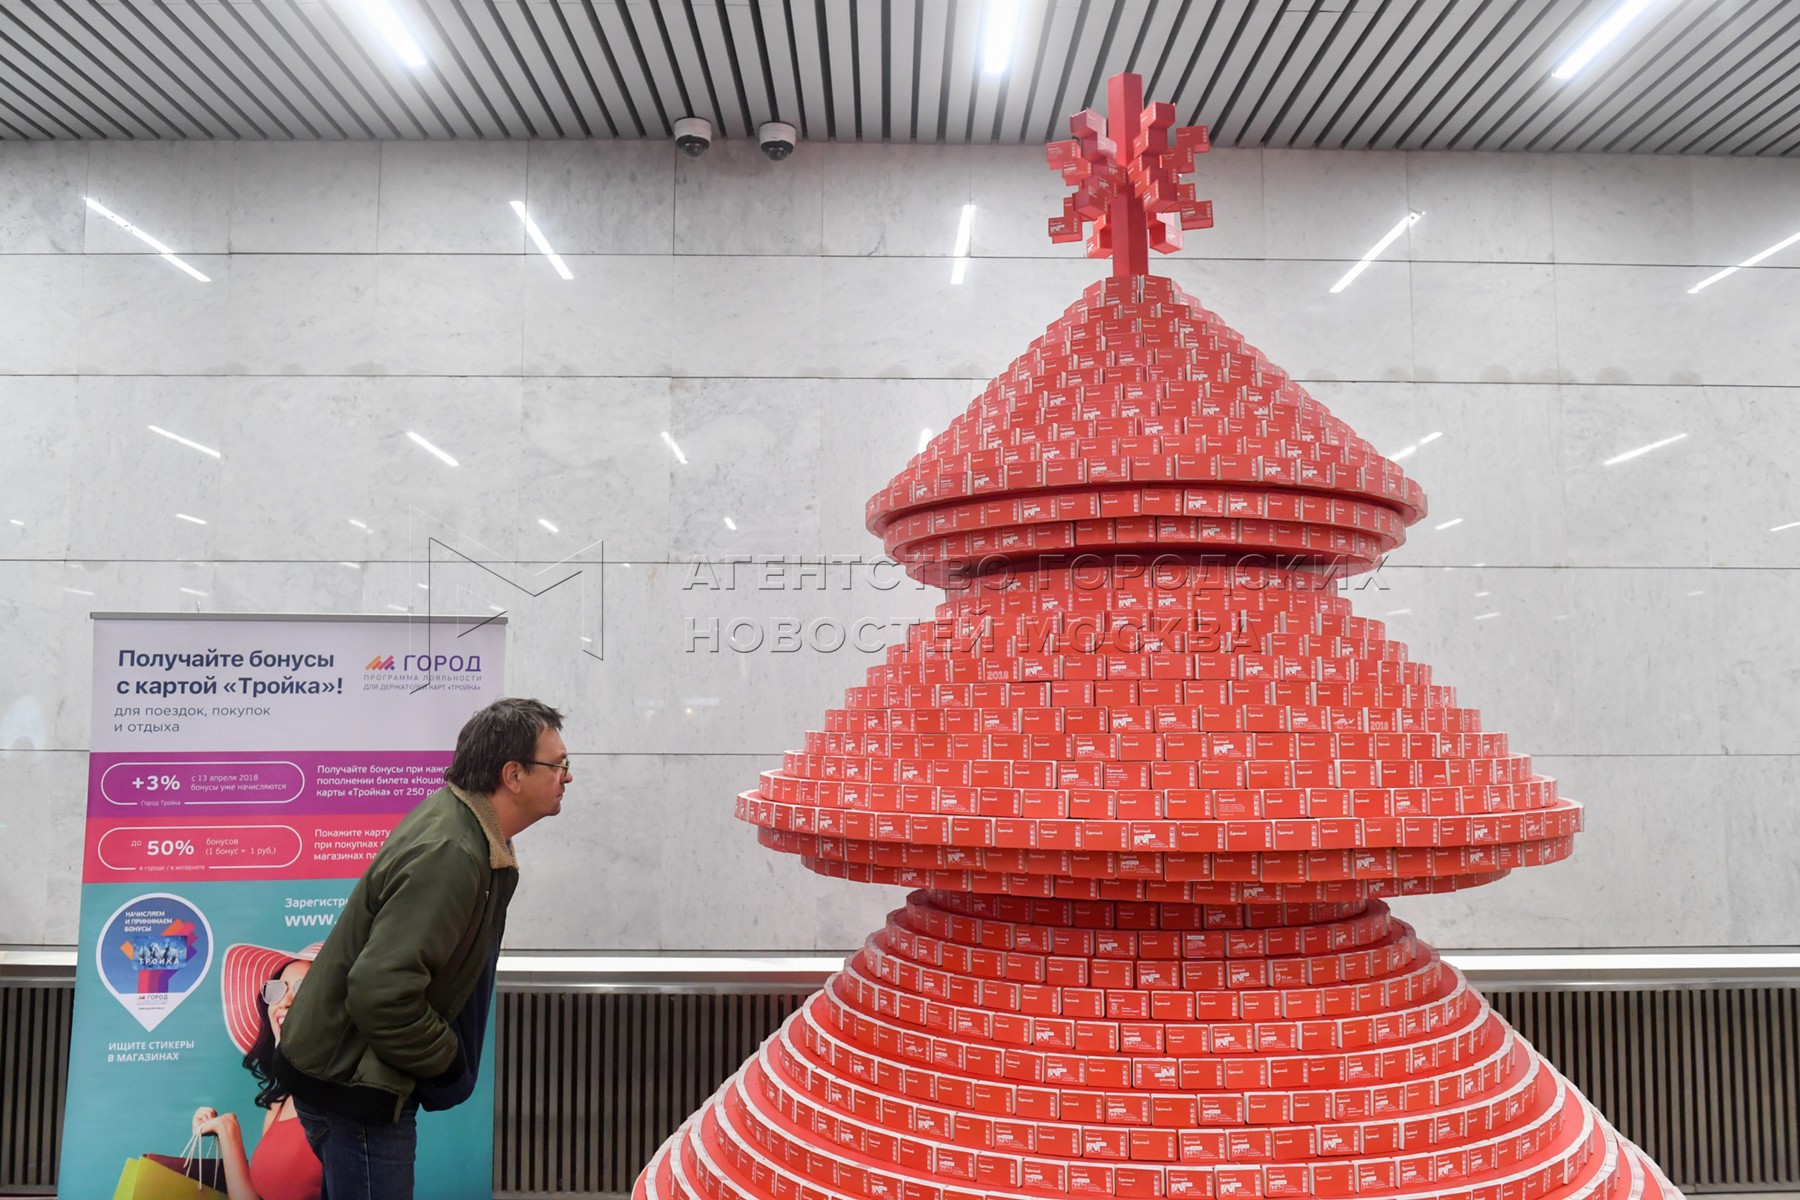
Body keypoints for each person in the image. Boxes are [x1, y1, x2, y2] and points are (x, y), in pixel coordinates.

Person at [273, 697, 570, 1200]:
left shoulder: (467, 830)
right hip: (355, 1087)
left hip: (352, 1075)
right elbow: (381, 992)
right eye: (558, 764)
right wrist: (446, 1060)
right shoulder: (452, 850)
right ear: (513, 774)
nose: (567, 776)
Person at [190, 942, 326, 1200]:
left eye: (303, 989)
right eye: (278, 989)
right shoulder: (279, 1103)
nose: (284, 1001)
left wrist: (228, 1131)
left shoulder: (347, 1102)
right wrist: (226, 1129)